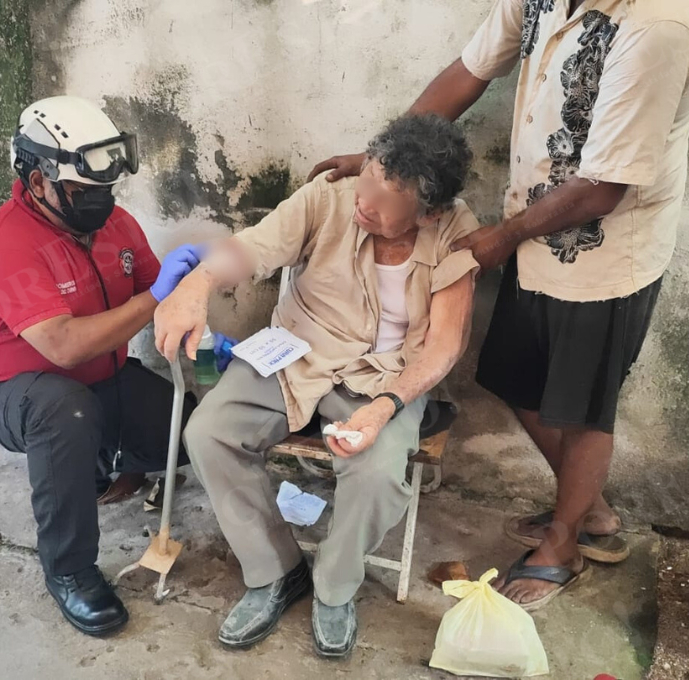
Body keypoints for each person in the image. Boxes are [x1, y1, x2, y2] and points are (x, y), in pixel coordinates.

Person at [310, 0, 689, 610]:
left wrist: (503, 235)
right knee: (515, 378)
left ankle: (564, 544)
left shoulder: (658, 26)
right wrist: (380, 163)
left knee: (586, 408)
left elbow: (604, 186)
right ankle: (590, 508)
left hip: (605, 252)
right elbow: (468, 71)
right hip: (534, 232)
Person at [155, 115, 480, 658]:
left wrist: (384, 407)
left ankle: (334, 587)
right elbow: (252, 247)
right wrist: (198, 282)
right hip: (299, 351)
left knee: (377, 472)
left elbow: (444, 345)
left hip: (387, 376)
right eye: (369, 177)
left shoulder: (455, 231)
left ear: (429, 213)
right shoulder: (331, 196)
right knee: (209, 431)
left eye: (386, 196)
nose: (365, 200)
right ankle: (276, 571)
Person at [0, 96, 230, 637]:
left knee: (192, 432)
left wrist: (208, 343)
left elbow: (166, 296)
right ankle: (68, 571)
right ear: (38, 183)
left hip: (103, 378)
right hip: (14, 391)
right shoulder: (3, 242)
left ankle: (105, 461)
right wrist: (154, 296)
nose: (101, 203)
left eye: (107, 190)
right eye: (85, 192)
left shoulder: (116, 225)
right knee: (67, 414)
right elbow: (62, 346)